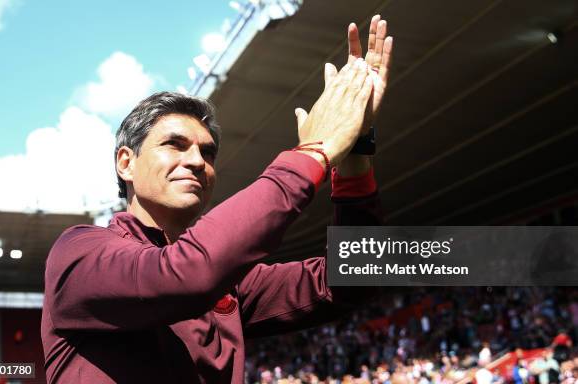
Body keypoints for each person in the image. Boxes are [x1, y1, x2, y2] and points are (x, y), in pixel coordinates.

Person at [41, 15, 393, 383]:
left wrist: (354, 156)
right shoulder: (78, 253)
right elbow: (187, 274)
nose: (196, 161)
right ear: (126, 163)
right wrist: (313, 154)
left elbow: (355, 278)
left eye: (207, 153)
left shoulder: (231, 285)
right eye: (174, 145)